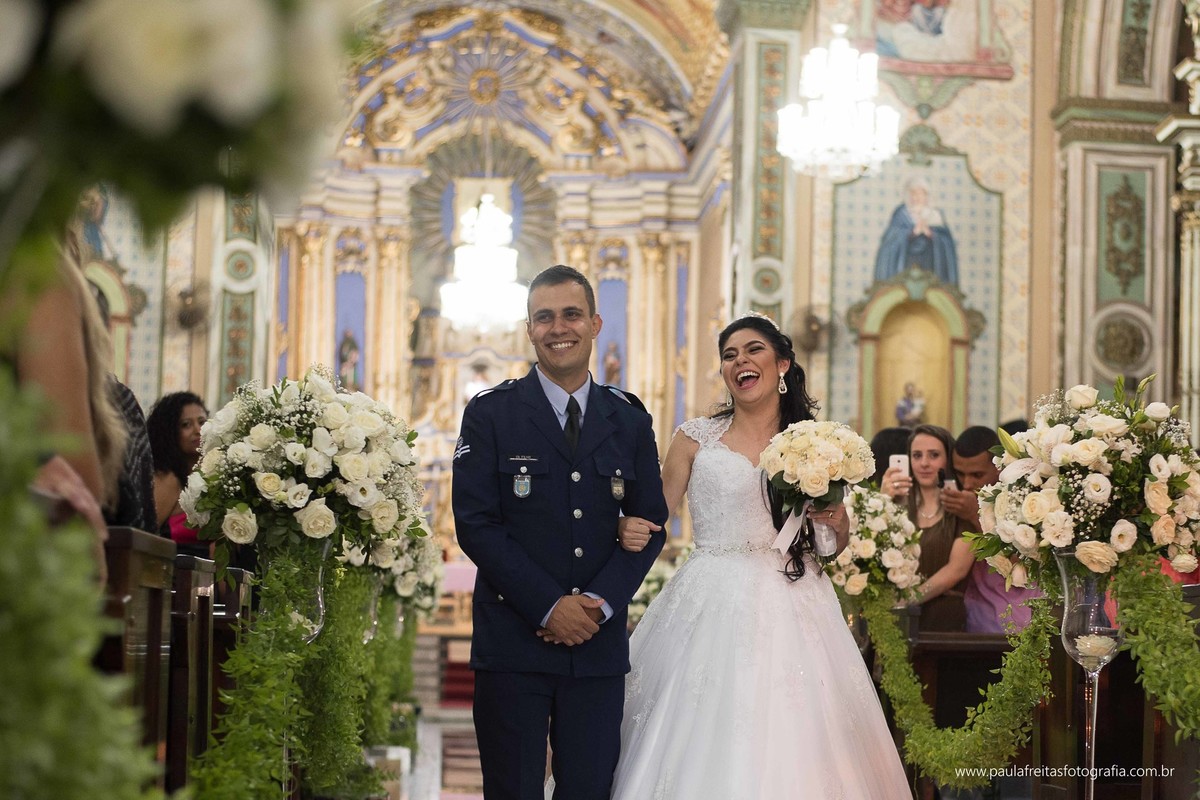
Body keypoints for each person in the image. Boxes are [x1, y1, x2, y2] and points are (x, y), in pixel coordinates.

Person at [607, 314, 910, 799]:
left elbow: (831, 545)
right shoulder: (694, 437)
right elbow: (655, 514)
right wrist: (626, 523)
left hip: (794, 591)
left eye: (753, 350)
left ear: (782, 364)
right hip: (710, 593)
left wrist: (835, 520)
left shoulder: (814, 443)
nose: (740, 361)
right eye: (729, 355)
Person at [451, 265, 668, 800]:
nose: (558, 328)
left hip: (595, 647)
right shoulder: (491, 413)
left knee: (590, 790)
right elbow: (476, 524)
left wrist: (598, 604)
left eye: (571, 314)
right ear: (529, 329)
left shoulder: (629, 418)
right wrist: (550, 607)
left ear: (595, 323)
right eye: (544, 317)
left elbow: (651, 525)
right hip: (512, 644)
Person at [944, 425, 1042, 633]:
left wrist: (974, 515)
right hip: (976, 615)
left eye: (977, 474)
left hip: (1021, 614)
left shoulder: (1027, 497)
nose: (967, 483)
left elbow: (1023, 566)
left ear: (999, 468)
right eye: (960, 474)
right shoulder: (956, 499)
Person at [881, 423, 974, 630]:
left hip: (944, 619)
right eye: (917, 455)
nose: (924, 463)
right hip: (897, 620)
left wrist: (906, 599)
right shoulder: (897, 505)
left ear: (948, 459)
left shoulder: (961, 506)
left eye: (934, 455)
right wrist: (883, 499)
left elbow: (957, 570)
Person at [147, 391, 209, 557]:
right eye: (186, 425)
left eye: (202, 422)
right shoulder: (169, 479)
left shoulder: (212, 477)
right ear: (169, 432)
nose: (198, 430)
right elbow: (145, 535)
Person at [874, 176, 959, 285]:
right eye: (913, 193)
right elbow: (890, 240)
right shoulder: (901, 214)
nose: (916, 197)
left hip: (930, 262)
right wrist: (912, 233)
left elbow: (947, 243)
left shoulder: (935, 215)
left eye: (920, 194)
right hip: (907, 262)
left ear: (926, 195)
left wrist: (931, 234)